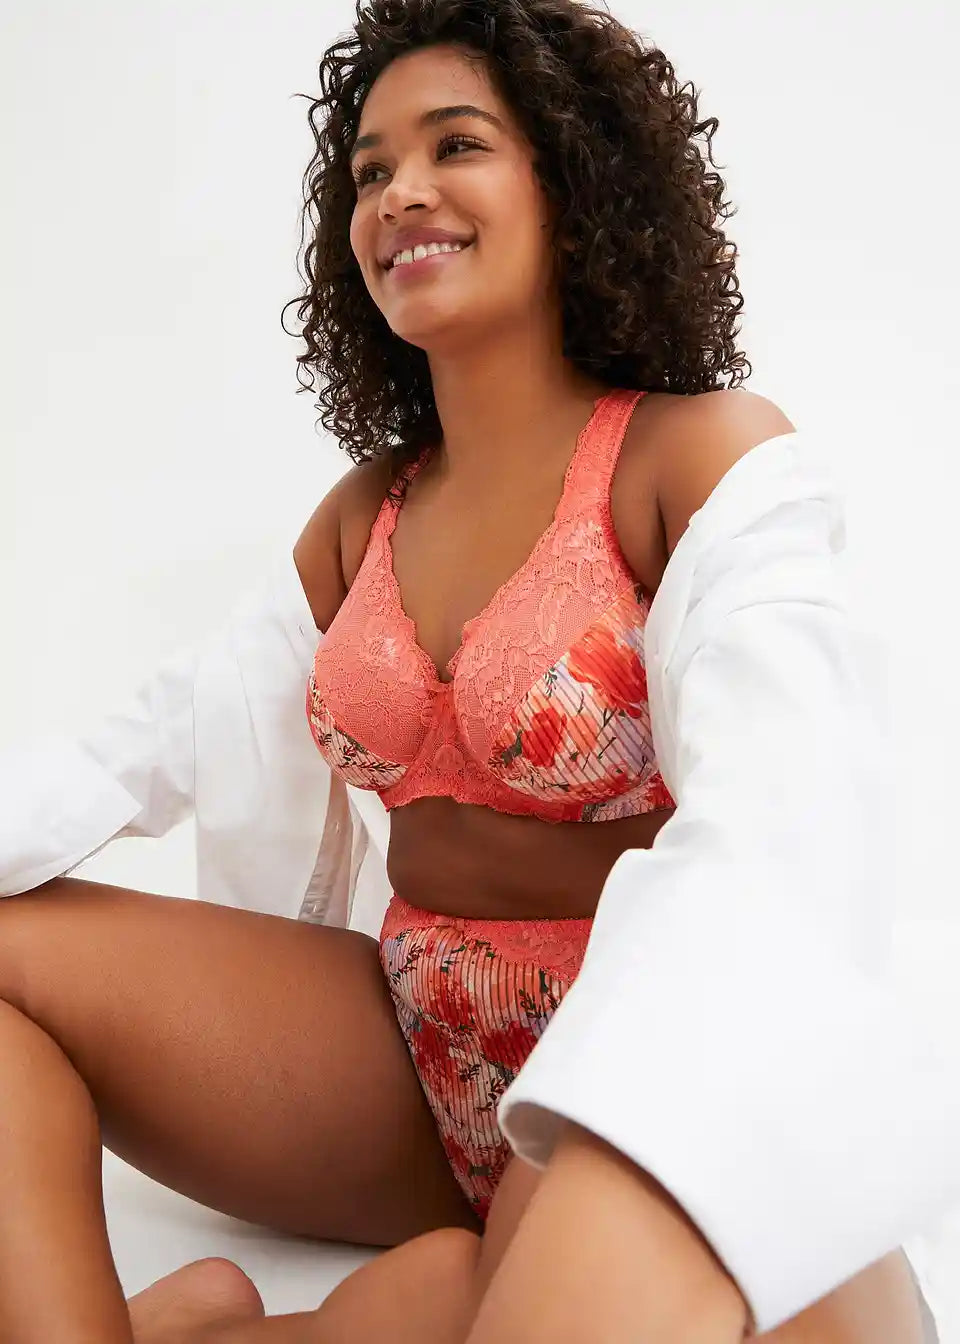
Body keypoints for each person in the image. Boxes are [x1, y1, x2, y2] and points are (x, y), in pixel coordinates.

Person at [0, 1, 955, 1341]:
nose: (402, 192)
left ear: (573, 183)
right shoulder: (367, 514)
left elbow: (784, 810)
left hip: (634, 1064)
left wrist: (640, 1108)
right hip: (405, 1054)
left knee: (480, 1302)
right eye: (370, 170)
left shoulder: (695, 457)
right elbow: (141, 746)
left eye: (456, 145)